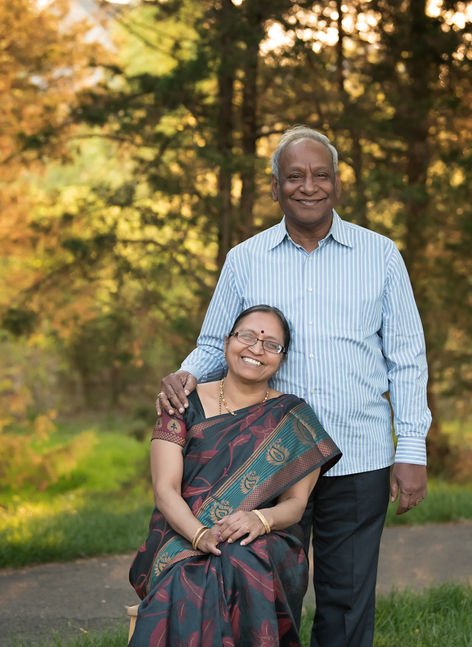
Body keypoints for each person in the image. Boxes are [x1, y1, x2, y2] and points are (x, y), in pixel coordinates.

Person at [156, 125, 432, 647]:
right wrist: (185, 375)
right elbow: (215, 343)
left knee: (347, 601)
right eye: (295, 176)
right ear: (275, 187)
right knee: (267, 596)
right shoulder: (245, 258)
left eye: (321, 175)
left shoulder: (381, 255)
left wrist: (411, 448)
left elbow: (407, 360)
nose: (309, 186)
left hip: (359, 453)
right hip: (268, 459)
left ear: (337, 184)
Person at [129, 305, 341, 647]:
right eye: (247, 336)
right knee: (196, 570)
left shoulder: (294, 418)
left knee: (240, 556)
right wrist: (199, 535)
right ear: (227, 341)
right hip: (183, 533)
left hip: (264, 539)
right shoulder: (181, 404)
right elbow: (165, 490)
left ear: (282, 358)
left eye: (271, 344)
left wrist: (260, 519)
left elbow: (295, 505)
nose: (256, 349)